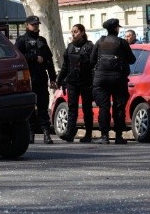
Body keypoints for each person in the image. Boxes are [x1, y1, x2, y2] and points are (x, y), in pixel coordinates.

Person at [91, 18, 136, 145]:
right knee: (119, 107)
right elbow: (132, 60)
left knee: (104, 107)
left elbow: (92, 60)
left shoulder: (100, 41)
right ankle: (119, 136)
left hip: (101, 79)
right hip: (118, 79)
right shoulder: (122, 42)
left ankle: (104, 136)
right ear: (116, 28)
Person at [15, 15, 58, 144]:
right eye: (33, 24)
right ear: (27, 25)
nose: (35, 27)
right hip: (28, 79)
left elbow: (49, 60)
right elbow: (18, 57)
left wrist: (53, 78)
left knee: (43, 106)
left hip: (41, 78)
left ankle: (46, 134)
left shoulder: (42, 40)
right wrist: (34, 58)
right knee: (30, 107)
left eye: (37, 24)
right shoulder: (21, 40)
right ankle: (30, 133)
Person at [56, 24, 95, 143]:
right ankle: (70, 132)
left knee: (87, 108)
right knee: (72, 107)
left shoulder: (89, 46)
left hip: (86, 81)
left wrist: (94, 81)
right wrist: (59, 80)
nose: (73, 34)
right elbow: (65, 66)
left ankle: (88, 134)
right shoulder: (70, 47)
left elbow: (94, 65)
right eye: (72, 31)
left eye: (76, 31)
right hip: (72, 81)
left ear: (82, 32)